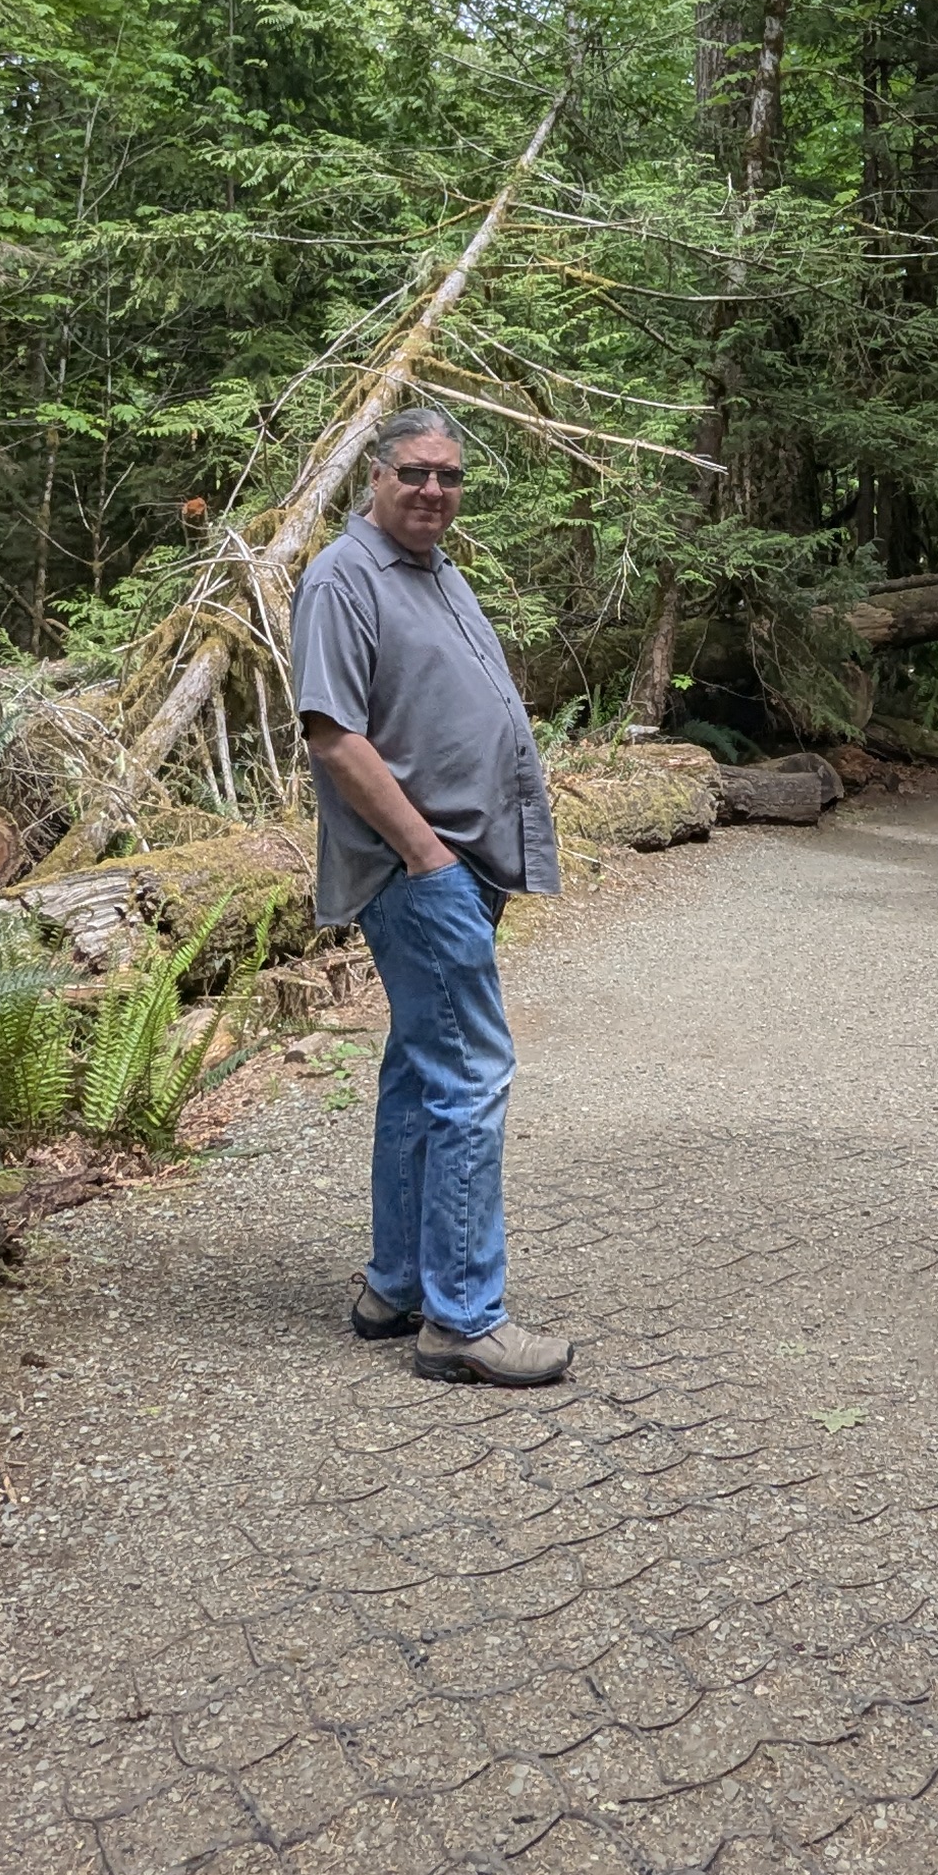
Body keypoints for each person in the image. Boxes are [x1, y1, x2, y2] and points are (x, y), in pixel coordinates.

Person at [290, 403, 573, 1386]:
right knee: (469, 1077)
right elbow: (334, 737)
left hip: (459, 866)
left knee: (421, 1074)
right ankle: (463, 1319)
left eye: (449, 477)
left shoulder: (435, 572)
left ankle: (400, 1285)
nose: (433, 491)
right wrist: (428, 857)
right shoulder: (343, 579)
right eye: (415, 473)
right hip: (420, 873)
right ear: (375, 474)